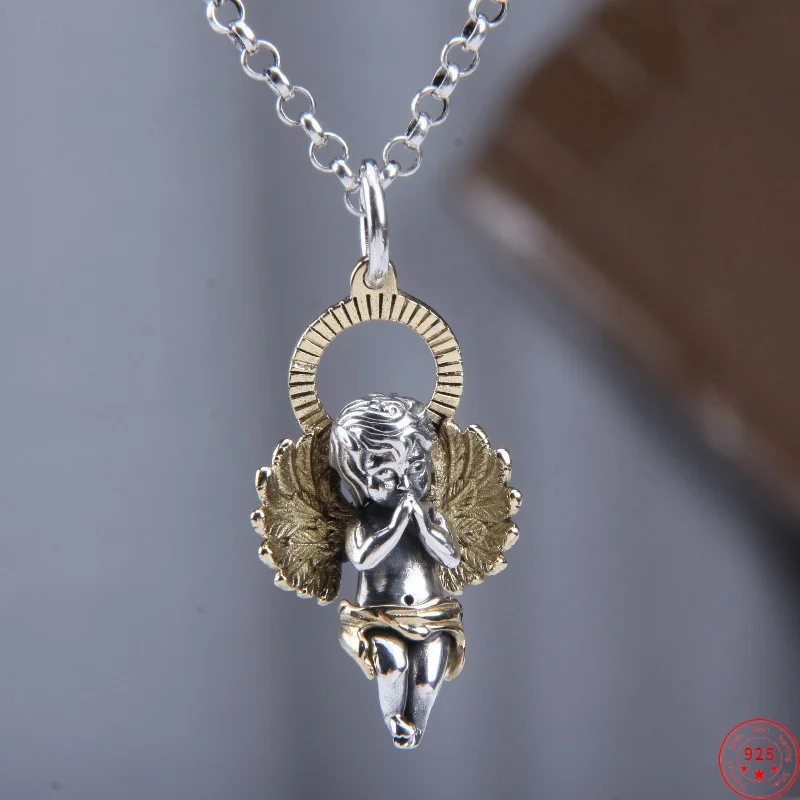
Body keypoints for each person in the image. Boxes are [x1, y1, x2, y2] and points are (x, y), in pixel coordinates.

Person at [330, 394, 465, 749]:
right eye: (387, 474)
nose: (405, 483)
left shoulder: (429, 515)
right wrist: (397, 523)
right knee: (392, 666)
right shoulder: (364, 522)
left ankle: (414, 726)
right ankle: (393, 718)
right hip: (378, 617)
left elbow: (451, 557)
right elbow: (363, 558)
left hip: (431, 614)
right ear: (358, 479)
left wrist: (423, 524)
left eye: (415, 467)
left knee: (428, 676)